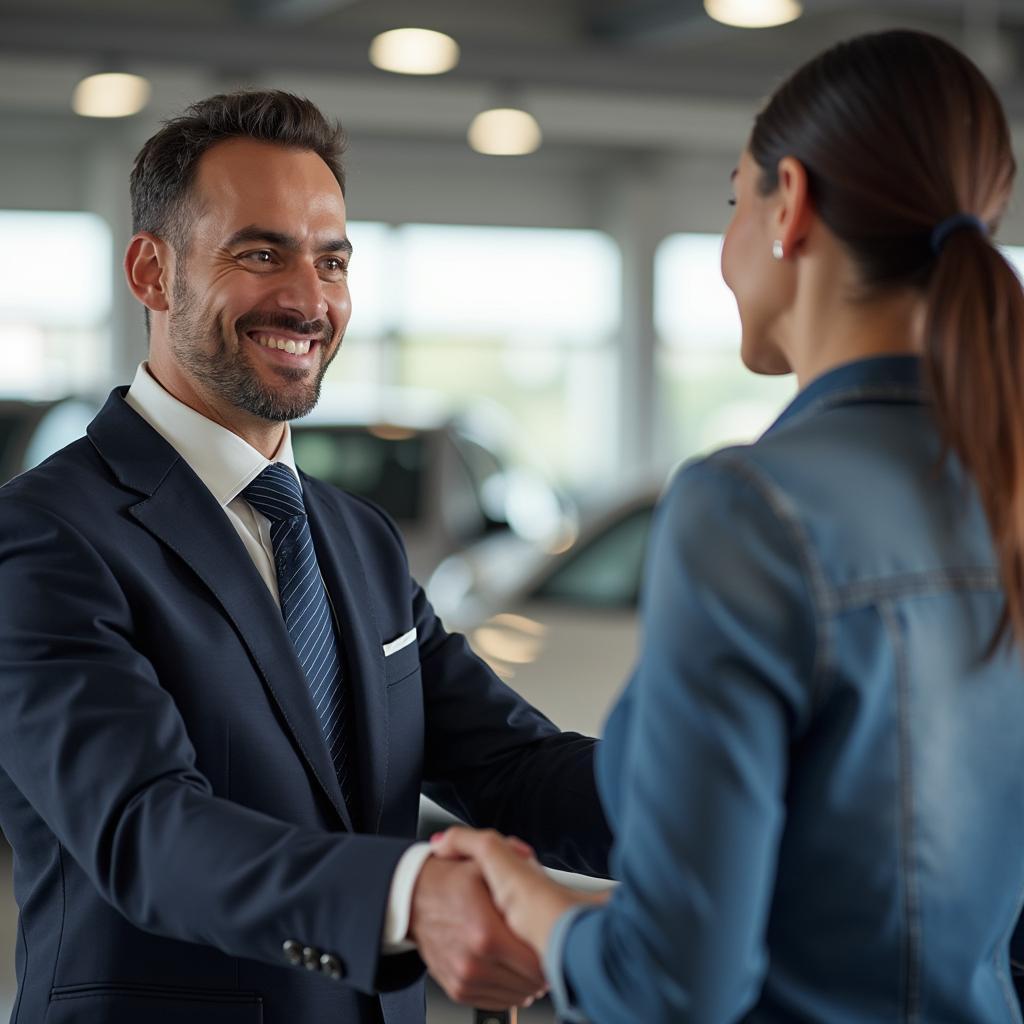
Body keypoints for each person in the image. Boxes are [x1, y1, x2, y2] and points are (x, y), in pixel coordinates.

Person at [433, 28, 1024, 1023]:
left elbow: (671, 985)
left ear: (787, 205)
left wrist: (530, 902)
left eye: (731, 199)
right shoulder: (1001, 492)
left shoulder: (747, 510)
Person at [0, 91, 611, 1024]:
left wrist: (715, 799)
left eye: (332, 261)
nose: (309, 298)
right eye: (261, 253)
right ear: (152, 271)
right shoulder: (49, 534)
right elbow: (146, 831)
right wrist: (410, 898)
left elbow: (508, 766)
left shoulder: (356, 538)